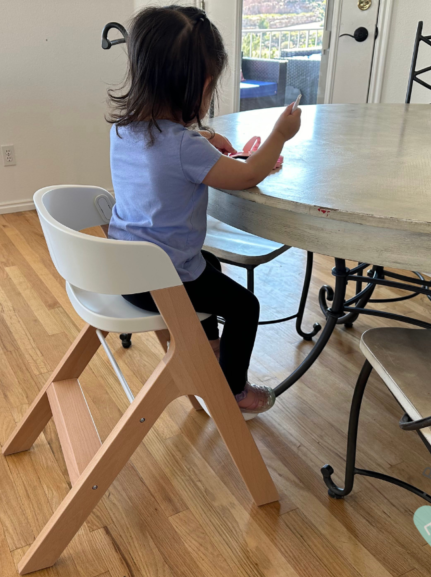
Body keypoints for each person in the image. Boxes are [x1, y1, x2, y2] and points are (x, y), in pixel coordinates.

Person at [106, 4, 301, 416]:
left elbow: (170, 148)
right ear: (203, 85)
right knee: (245, 305)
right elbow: (249, 176)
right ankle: (233, 392)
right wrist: (279, 136)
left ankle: (209, 352)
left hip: (122, 269)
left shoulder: (124, 130)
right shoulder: (185, 148)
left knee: (207, 262)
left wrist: (206, 136)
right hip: (162, 281)